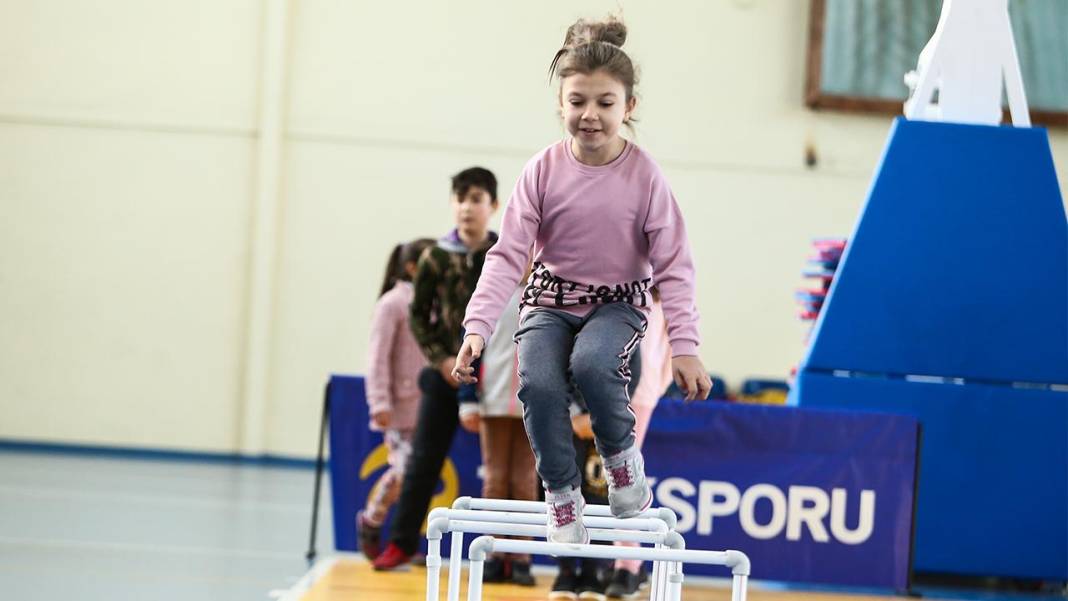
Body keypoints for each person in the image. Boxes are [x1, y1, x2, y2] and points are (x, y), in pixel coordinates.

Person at [453, 15, 712, 545]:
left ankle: (621, 461)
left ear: (628, 107)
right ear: (561, 103)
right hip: (548, 302)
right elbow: (507, 257)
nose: (589, 116)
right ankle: (563, 496)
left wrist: (685, 347)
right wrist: (477, 327)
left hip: (617, 307)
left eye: (604, 103)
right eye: (577, 102)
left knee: (593, 364)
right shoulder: (541, 172)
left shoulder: (645, 177)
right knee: (539, 386)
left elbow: (675, 266)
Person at [370, 167, 500, 570]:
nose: (467, 207)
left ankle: (504, 557)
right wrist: (443, 359)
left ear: (493, 206)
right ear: (452, 204)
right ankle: (402, 542)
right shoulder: (435, 257)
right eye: (460, 198)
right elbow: (418, 318)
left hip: (495, 376)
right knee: (423, 461)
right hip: (445, 376)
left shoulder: (506, 255)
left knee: (502, 471)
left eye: (476, 199)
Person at [358, 238, 436, 560]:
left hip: (430, 409)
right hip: (400, 408)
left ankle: (405, 540)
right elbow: (377, 357)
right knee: (403, 473)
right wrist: (379, 403)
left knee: (420, 478)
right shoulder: (392, 304)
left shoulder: (434, 303)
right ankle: (372, 520)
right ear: (412, 267)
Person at [456, 278, 538, 586]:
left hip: (534, 405)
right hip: (492, 399)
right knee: (495, 478)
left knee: (525, 480)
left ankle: (520, 556)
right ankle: (491, 552)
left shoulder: (552, 294)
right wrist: (466, 401)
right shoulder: (491, 296)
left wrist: (565, 405)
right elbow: (468, 348)